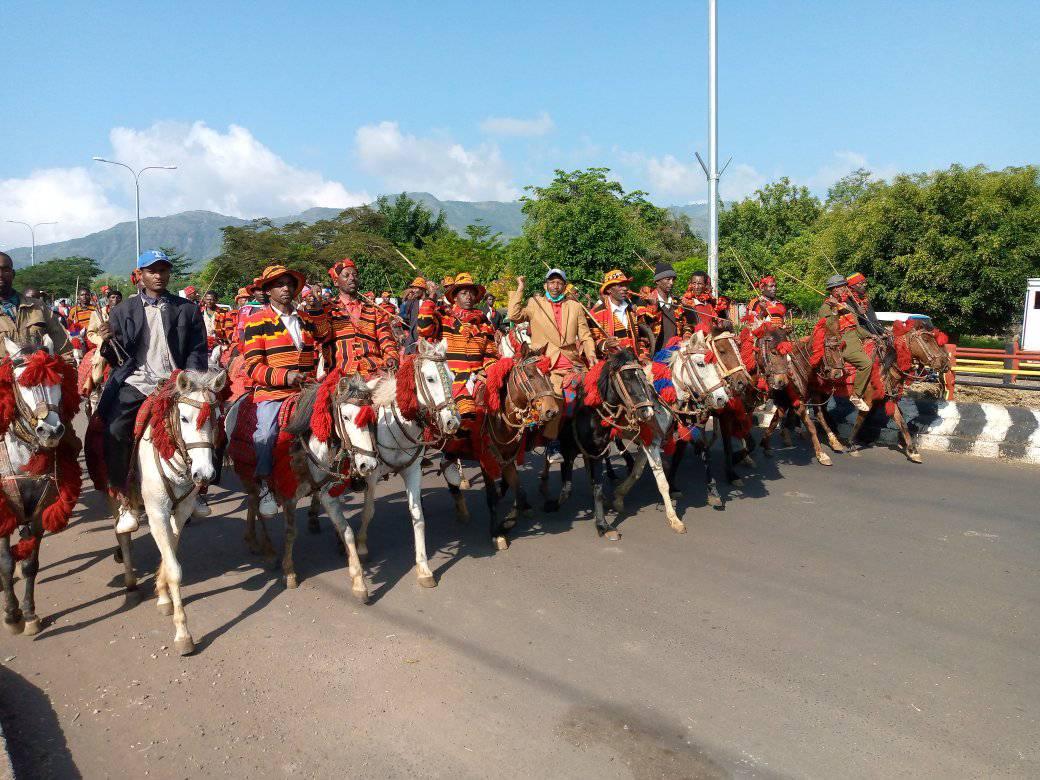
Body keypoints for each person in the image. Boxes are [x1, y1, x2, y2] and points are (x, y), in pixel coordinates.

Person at [96, 250, 208, 531]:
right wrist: (108, 342)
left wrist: (190, 379)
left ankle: (199, 492)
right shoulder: (123, 310)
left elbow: (197, 350)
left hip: (178, 383)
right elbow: (116, 358)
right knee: (115, 430)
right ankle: (125, 499)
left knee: (210, 423)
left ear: (169, 274)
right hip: (137, 382)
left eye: (163, 270)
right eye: (152, 271)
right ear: (140, 275)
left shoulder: (188, 309)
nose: (158, 276)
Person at [242, 265, 330, 518]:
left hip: (308, 390)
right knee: (265, 434)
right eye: (279, 284)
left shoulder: (305, 318)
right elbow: (252, 365)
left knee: (338, 421)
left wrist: (317, 307)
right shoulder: (256, 321)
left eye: (290, 284)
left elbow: (325, 334)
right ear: (268, 290)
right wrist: (286, 376)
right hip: (273, 392)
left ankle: (339, 475)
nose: (286, 288)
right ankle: (265, 485)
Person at [508, 268, 597, 462]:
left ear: (564, 286)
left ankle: (599, 436)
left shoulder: (575, 306)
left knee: (597, 391)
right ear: (545, 285)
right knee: (555, 396)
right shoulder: (535, 303)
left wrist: (591, 354)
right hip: (546, 364)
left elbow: (585, 335)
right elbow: (513, 315)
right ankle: (552, 443)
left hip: (574, 362)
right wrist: (520, 287)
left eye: (559, 283)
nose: (555, 286)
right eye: (551, 282)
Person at [417, 272, 498, 435]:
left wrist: (490, 372)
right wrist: (431, 298)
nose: (468, 297)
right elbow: (423, 328)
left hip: (478, 377)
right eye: (464, 293)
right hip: (450, 377)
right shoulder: (443, 316)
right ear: (454, 297)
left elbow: (490, 353)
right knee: (467, 415)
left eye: (472, 293)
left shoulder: (483, 321)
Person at [325, 258, 399, 377]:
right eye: (346, 275)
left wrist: (391, 357)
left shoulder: (373, 310)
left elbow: (386, 338)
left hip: (374, 371)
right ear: (336, 282)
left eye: (355, 275)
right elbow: (320, 336)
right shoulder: (328, 309)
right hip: (342, 374)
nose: (352, 278)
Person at [0, 252, 72, 358]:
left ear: (13, 274)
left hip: (42, 368)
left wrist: (67, 365)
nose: (0, 275)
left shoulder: (38, 307)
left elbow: (64, 349)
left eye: (5, 270)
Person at [819, 274, 873, 412]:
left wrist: (873, 336)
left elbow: (856, 327)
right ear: (835, 290)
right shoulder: (826, 307)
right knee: (866, 363)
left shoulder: (845, 304)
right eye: (843, 287)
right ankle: (856, 395)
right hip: (843, 343)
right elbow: (830, 328)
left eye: (845, 287)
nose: (846, 289)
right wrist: (834, 310)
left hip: (855, 339)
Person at [589, 269, 649, 360]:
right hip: (611, 363)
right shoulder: (596, 314)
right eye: (620, 285)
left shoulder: (633, 311)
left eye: (626, 285)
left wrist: (644, 355)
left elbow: (640, 339)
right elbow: (590, 343)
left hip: (635, 361)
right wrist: (605, 344)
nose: (625, 288)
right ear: (609, 289)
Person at [639, 261, 686, 354]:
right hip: (655, 354)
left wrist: (686, 337)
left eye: (673, 279)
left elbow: (685, 324)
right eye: (668, 279)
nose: (671, 283)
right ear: (657, 281)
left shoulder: (677, 302)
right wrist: (653, 307)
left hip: (676, 353)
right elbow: (642, 329)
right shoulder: (644, 302)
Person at [398, 277, 427, 353]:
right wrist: (401, 319)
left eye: (416, 288)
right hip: (413, 337)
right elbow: (410, 319)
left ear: (423, 289)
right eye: (413, 288)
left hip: (426, 339)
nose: (413, 290)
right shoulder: (413, 302)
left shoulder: (430, 302)